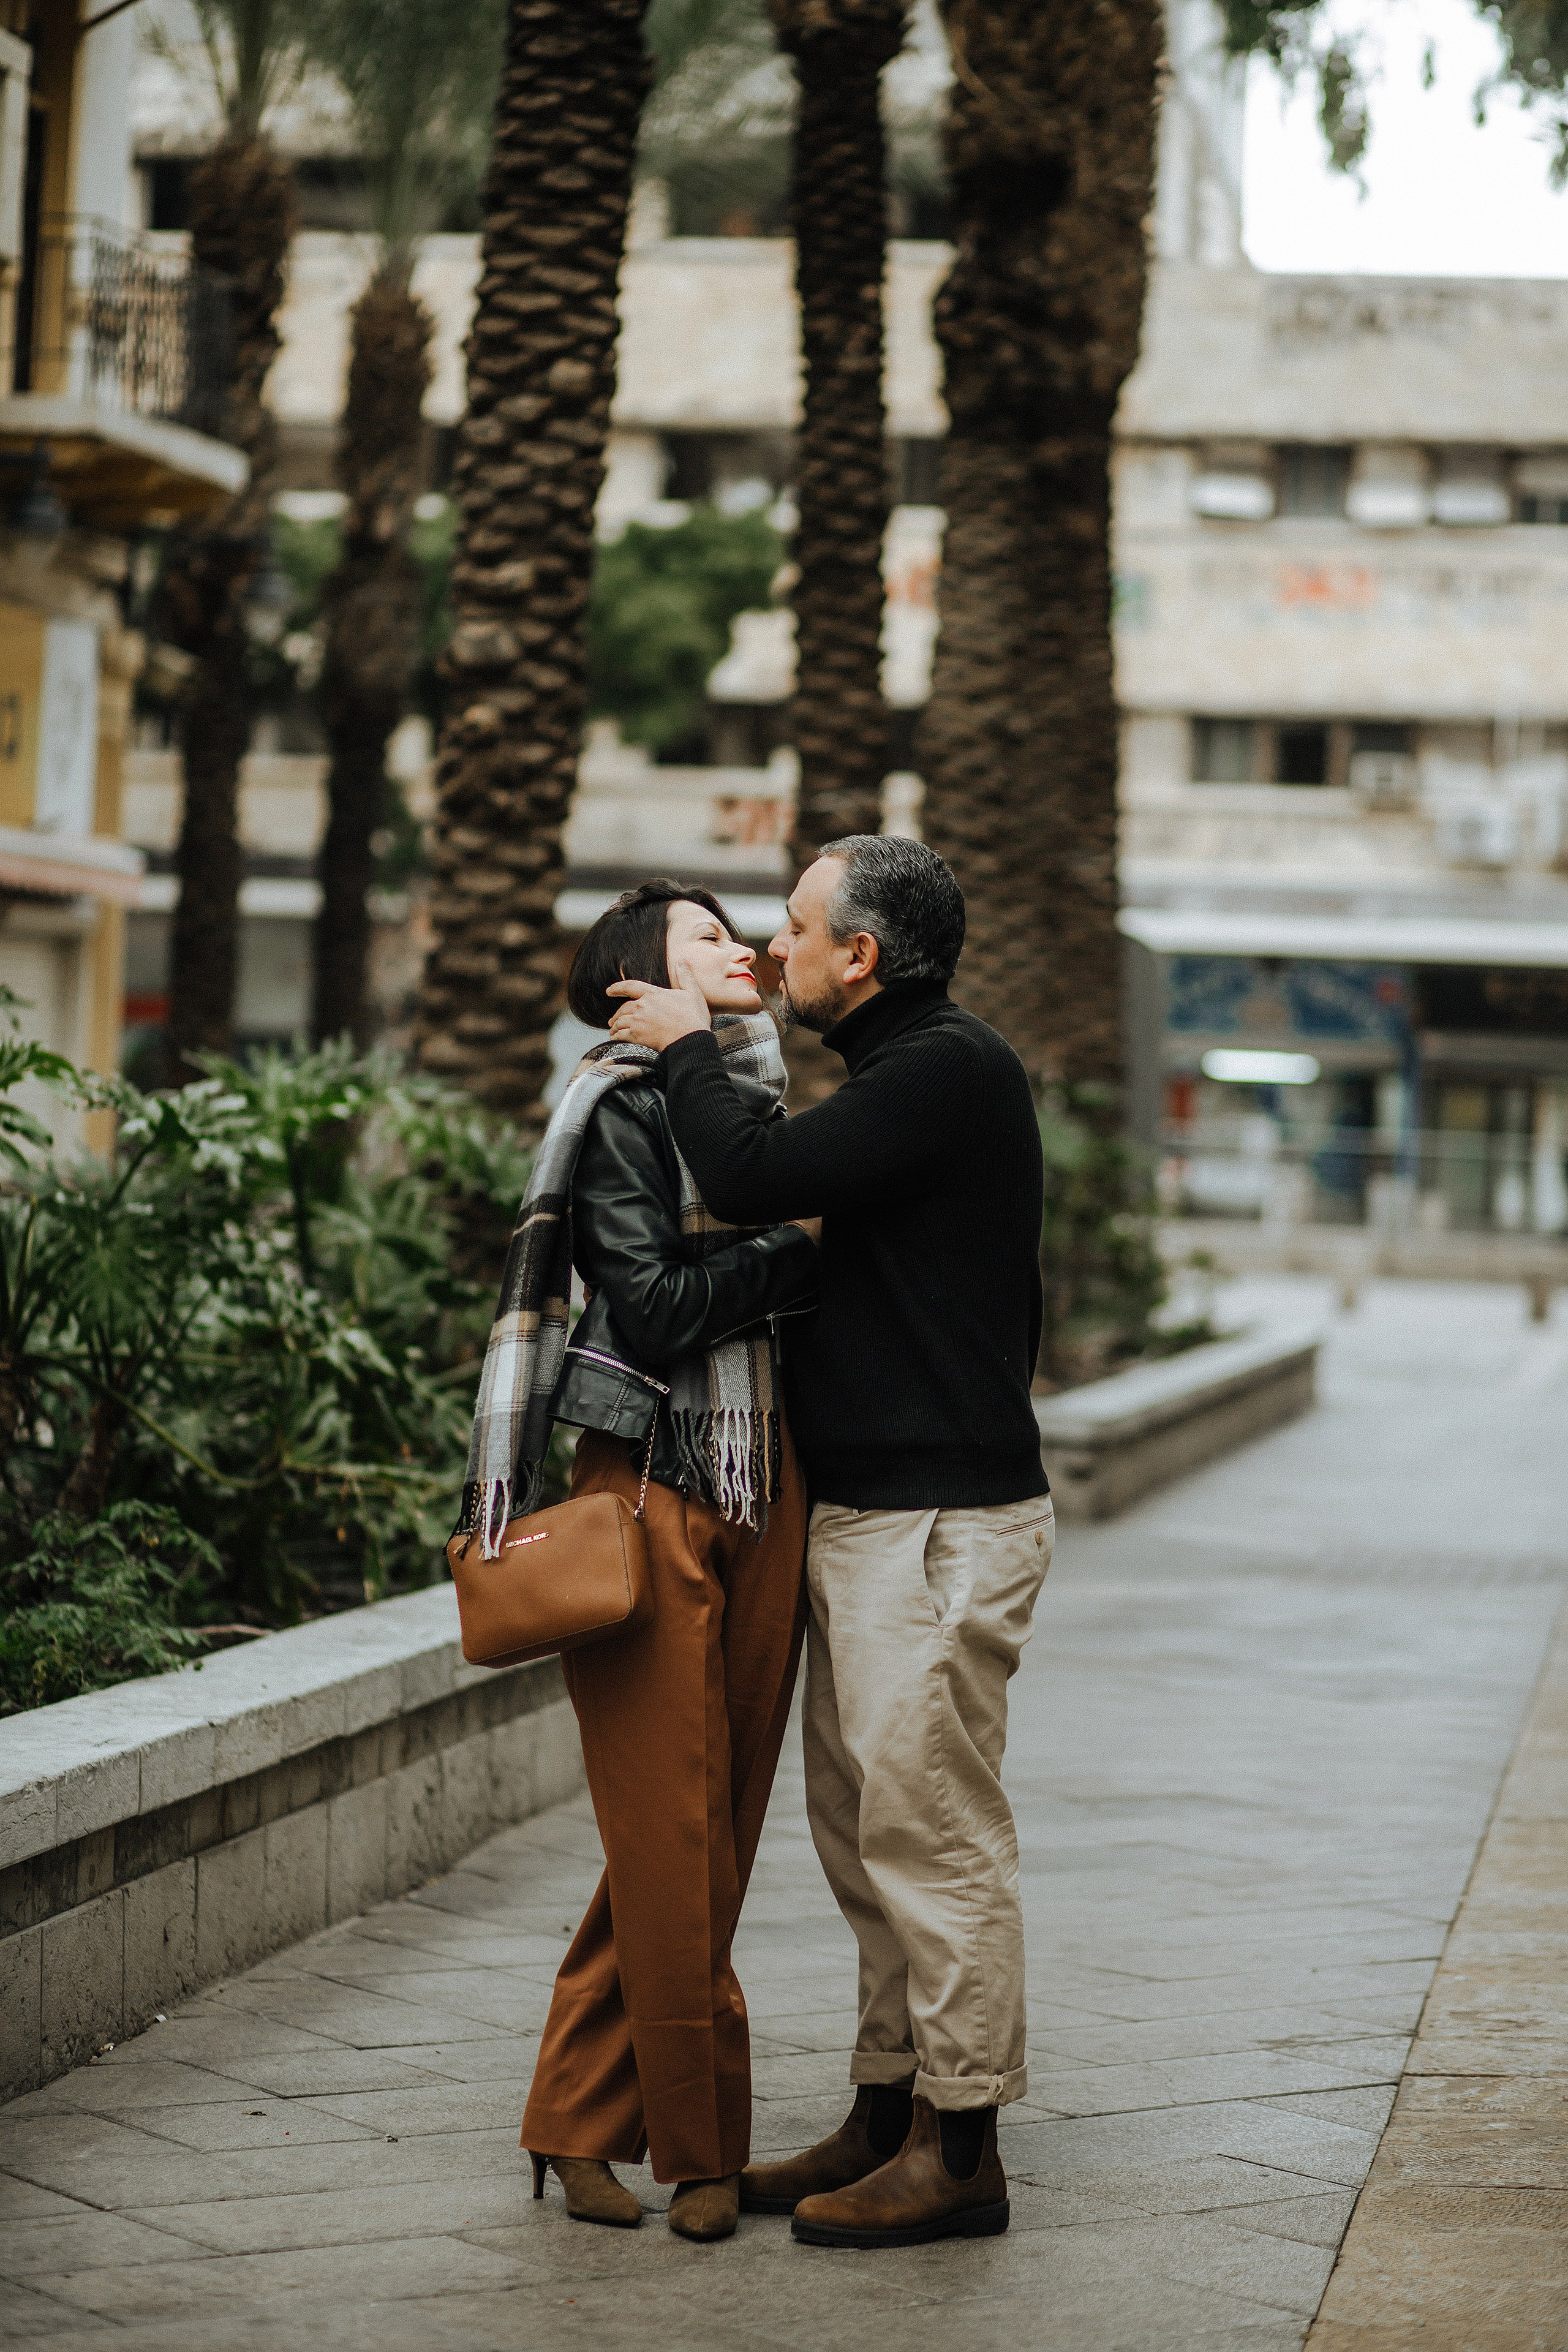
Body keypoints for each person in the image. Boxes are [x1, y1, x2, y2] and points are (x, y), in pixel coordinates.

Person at [606, 834, 1052, 2251]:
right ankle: (885, 2112)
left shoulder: (945, 1070)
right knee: (866, 1842)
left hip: (938, 1524)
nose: (768, 950)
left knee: (932, 1838)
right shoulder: (900, 1075)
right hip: (875, 1518)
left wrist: (681, 1037)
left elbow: (742, 1174)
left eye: (793, 928)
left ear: (859, 958)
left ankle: (961, 2148)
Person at [457, 880, 820, 2243]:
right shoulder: (626, 1106)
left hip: (765, 1483)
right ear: (635, 982)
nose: (744, 950)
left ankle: (570, 2117)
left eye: (740, 933)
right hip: (654, 1480)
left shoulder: (753, 1109)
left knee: (715, 1832)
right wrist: (797, 1250)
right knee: (668, 1830)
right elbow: (654, 1303)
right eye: (707, 939)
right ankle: (702, 2148)